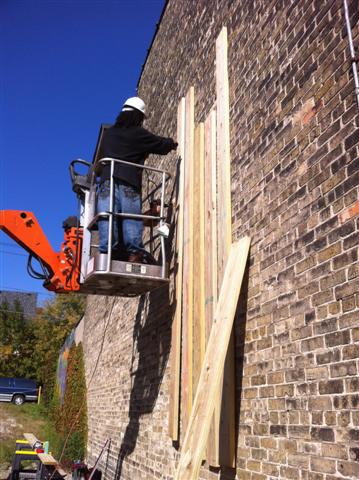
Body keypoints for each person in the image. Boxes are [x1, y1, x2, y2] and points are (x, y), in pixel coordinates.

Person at [97, 96, 177, 263]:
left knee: (107, 217)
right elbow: (159, 144)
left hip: (106, 182)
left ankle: (107, 253)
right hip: (128, 180)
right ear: (138, 116)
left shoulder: (109, 134)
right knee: (130, 217)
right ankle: (134, 254)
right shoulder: (137, 133)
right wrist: (172, 143)